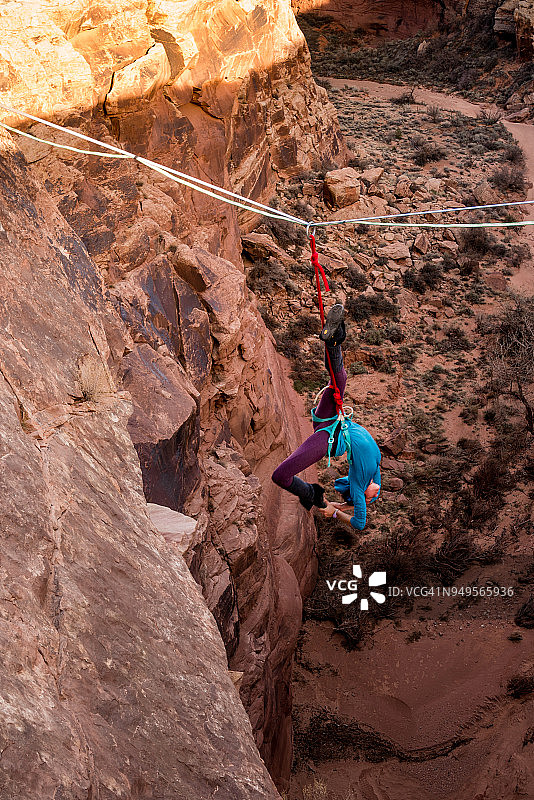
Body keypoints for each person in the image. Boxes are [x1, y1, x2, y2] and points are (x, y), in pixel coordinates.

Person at [271, 304, 381, 530]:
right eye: (370, 498)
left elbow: (360, 524)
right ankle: (333, 341)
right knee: (337, 384)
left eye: (366, 499)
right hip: (335, 419)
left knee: (280, 475)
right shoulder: (375, 472)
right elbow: (369, 494)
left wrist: (333, 511)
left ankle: (312, 493)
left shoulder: (360, 485)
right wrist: (345, 506)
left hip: (328, 438)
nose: (369, 497)